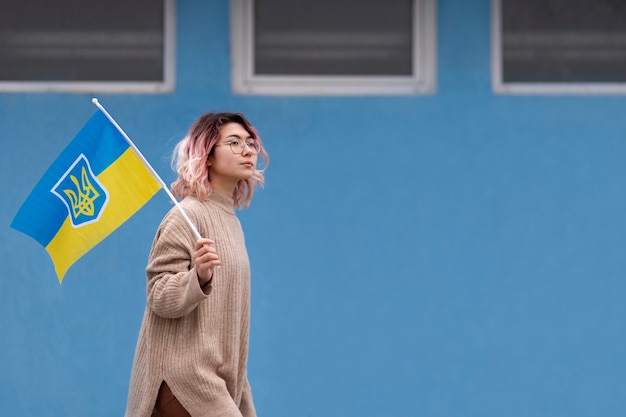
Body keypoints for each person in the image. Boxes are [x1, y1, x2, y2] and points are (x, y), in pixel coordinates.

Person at [124, 112, 269, 417]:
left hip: (215, 382)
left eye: (250, 142)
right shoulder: (185, 216)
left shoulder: (231, 221)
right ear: (208, 155)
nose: (247, 150)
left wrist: (243, 399)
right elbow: (159, 296)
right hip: (183, 380)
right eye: (234, 142)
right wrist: (198, 278)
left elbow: (229, 326)